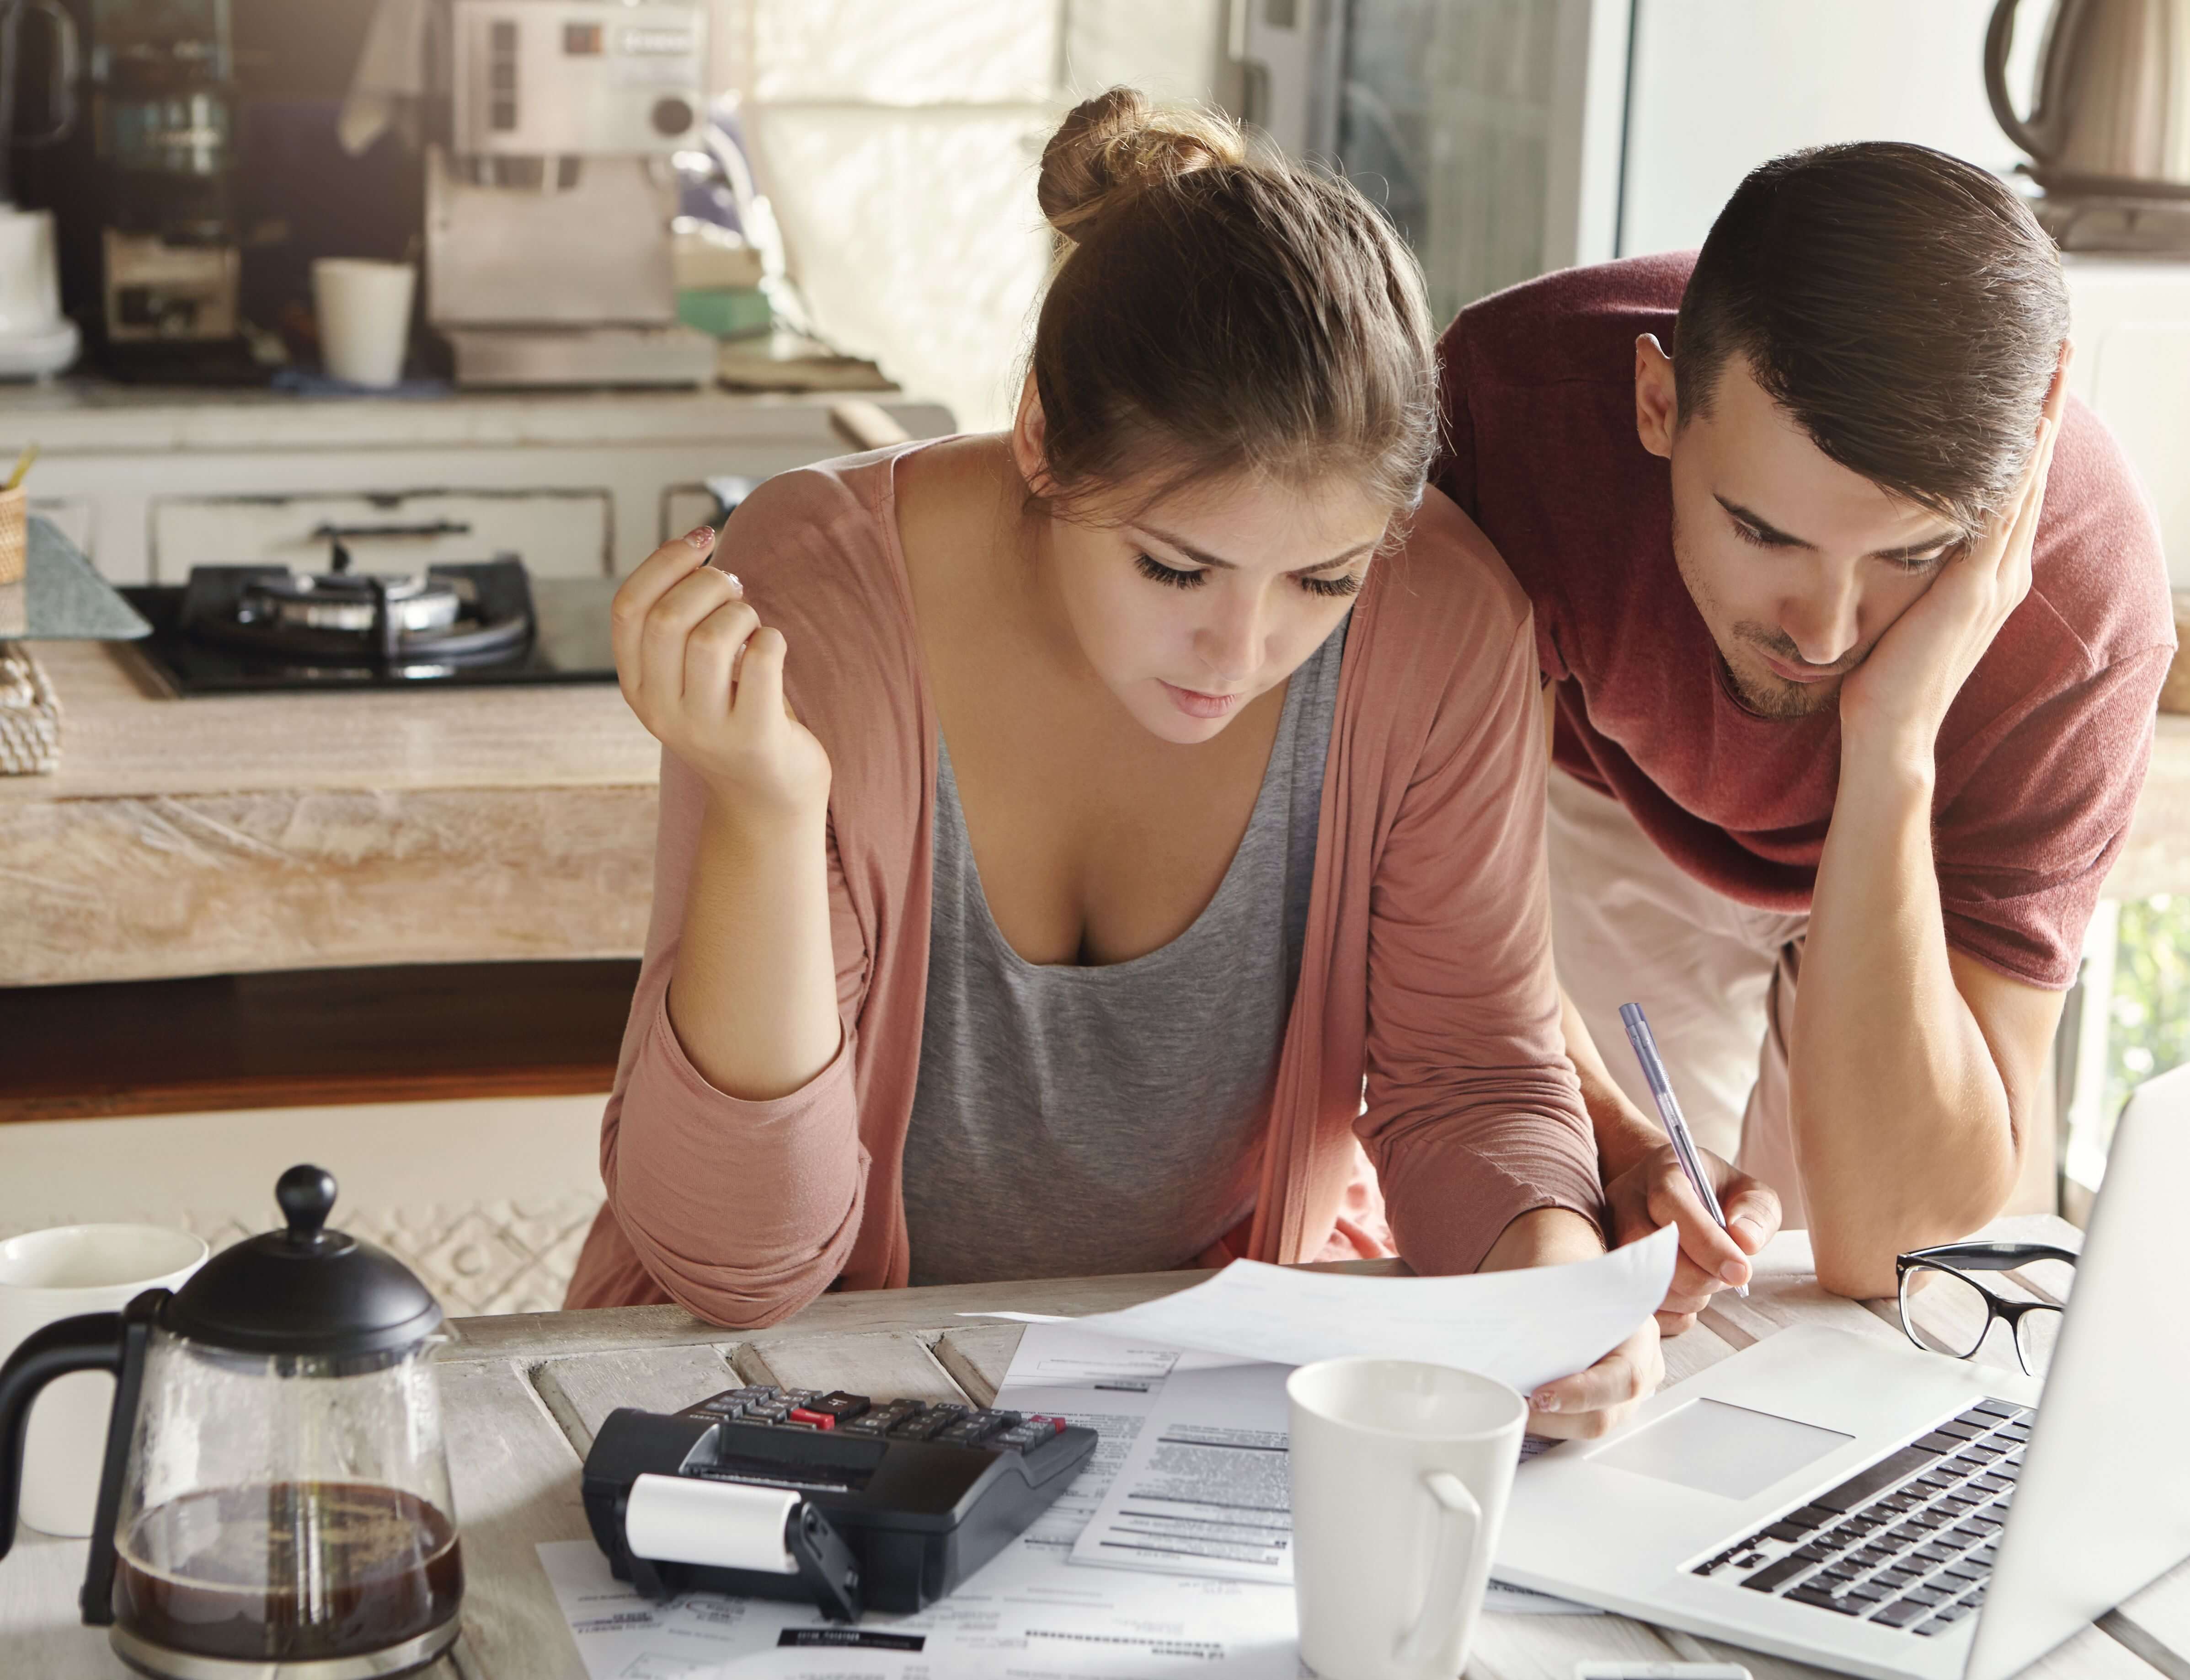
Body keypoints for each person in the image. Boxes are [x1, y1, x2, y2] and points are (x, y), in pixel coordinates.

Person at [564, 89, 1659, 1437]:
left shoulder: (1444, 618)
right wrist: (769, 809)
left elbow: (1471, 1078)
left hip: (1197, 1416)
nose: (1243, 649)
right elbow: (738, 1267)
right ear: (1040, 437)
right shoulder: (818, 594)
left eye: (1320, 582)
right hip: (793, 1407)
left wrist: (1543, 1308)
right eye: (1173, 566)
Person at [1433, 143, 2175, 1321]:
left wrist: (1890, 740)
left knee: (1857, 1323)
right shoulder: (1509, 414)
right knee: (1633, 1284)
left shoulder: (2083, 609)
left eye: (1908, 556)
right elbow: (1439, 946)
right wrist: (1621, 1142)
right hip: (1613, 795)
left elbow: (1887, 1242)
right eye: (1764, 534)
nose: (1825, 634)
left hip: (1906, 850)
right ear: (1657, 403)